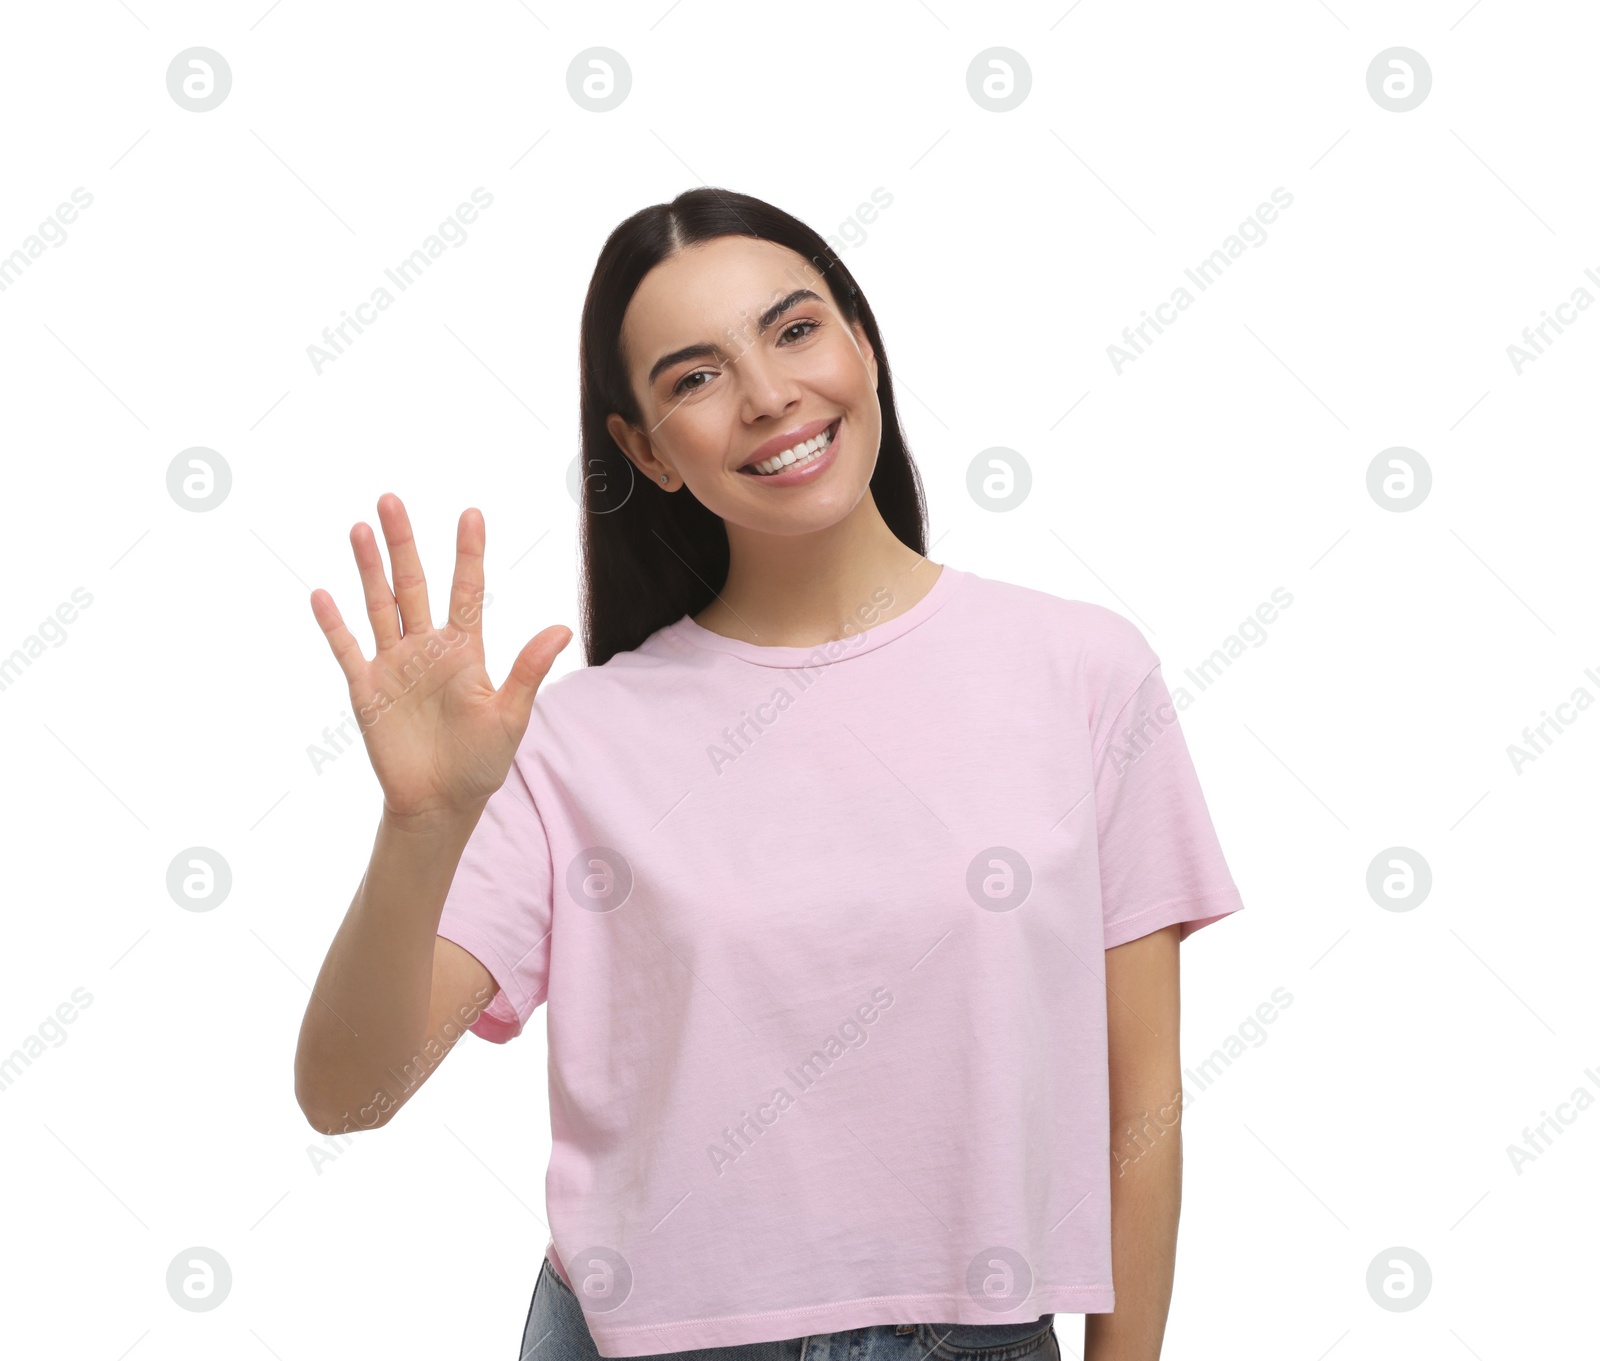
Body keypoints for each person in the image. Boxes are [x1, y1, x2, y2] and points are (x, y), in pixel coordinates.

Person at [294, 188, 1244, 1361]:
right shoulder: (573, 741)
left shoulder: (1083, 672)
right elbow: (347, 1093)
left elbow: (1138, 1109)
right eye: (693, 377)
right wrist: (422, 825)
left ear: (861, 342)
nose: (767, 394)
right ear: (644, 448)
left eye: (794, 330)